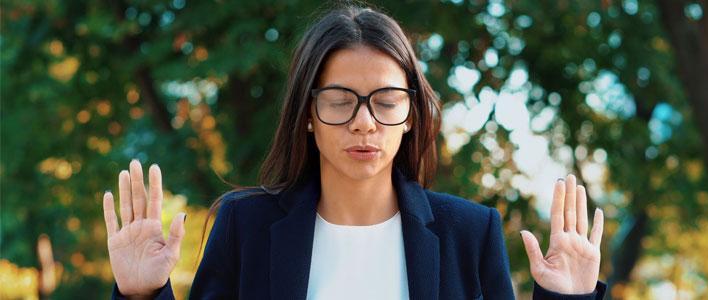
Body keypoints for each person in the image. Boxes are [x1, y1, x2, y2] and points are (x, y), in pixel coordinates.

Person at [102, 5, 607, 300]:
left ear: (410, 115)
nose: (364, 121)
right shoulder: (246, 226)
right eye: (341, 101)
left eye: (386, 102)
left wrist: (569, 299)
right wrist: (141, 295)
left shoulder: (469, 234)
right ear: (307, 112)